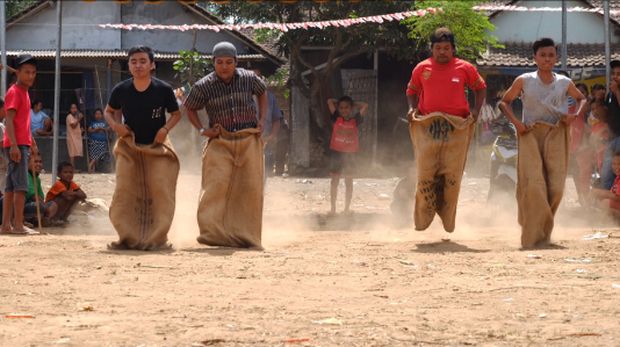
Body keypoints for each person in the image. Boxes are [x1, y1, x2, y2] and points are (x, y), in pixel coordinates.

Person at [499, 38, 586, 249]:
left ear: (556, 58)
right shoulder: (524, 80)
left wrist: (573, 115)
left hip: (557, 134)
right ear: (535, 58)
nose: (547, 59)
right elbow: (504, 102)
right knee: (535, 186)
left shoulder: (564, 82)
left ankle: (545, 230)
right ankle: (532, 234)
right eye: (543, 55)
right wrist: (517, 124)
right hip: (530, 135)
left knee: (556, 188)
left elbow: (582, 99)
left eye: (551, 55)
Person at [184, 41, 268, 249]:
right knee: (215, 186)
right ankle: (213, 234)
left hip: (248, 138)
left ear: (236, 62)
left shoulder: (250, 79)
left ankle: (246, 235)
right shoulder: (203, 85)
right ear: (213, 63)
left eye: (229, 62)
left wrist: (262, 119)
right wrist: (203, 130)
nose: (224, 66)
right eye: (219, 62)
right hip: (220, 140)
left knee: (249, 188)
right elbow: (190, 108)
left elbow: (262, 92)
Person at [405, 27, 486, 233]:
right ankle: (423, 217)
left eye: (446, 48)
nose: (442, 51)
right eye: (438, 48)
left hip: (457, 126)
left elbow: (480, 87)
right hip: (427, 125)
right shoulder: (421, 68)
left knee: (452, 176)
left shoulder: (465, 68)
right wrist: (412, 108)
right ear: (432, 49)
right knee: (426, 174)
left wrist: (476, 109)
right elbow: (411, 91)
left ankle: (448, 218)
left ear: (453, 49)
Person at [105, 45, 181, 250]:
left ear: (152, 65)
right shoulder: (120, 90)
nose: (138, 65)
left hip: (158, 146)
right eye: (133, 62)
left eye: (142, 61)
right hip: (130, 145)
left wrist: (165, 129)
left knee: (160, 189)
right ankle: (127, 237)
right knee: (124, 189)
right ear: (129, 66)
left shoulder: (163, 89)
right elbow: (108, 111)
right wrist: (116, 126)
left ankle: (157, 238)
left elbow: (176, 114)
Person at [0, 54, 40, 235]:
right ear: (18, 73)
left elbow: (23, 122)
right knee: (21, 186)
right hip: (15, 144)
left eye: (33, 72)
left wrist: (31, 141)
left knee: (10, 187)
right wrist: (16, 145)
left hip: (20, 142)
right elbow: (9, 120)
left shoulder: (24, 92)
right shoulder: (15, 92)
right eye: (26, 72)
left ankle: (6, 225)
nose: (30, 76)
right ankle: (18, 224)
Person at [326, 96, 368, 215]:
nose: (344, 110)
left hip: (350, 155)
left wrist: (353, 103)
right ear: (338, 109)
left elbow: (365, 105)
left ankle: (346, 209)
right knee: (334, 181)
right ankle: (333, 209)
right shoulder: (336, 118)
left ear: (351, 108)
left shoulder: (356, 120)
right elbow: (329, 101)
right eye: (341, 108)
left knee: (348, 181)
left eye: (347, 107)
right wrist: (339, 102)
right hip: (336, 153)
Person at [253, 69, 283, 177]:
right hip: (247, 141)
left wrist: (272, 136)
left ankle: (261, 193)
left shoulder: (270, 97)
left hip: (265, 141)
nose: (255, 80)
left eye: (258, 77)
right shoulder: (241, 97)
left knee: (265, 173)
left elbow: (276, 119)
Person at [600, 60, 620, 190]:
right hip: (612, 139)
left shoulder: (615, 92)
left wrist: (617, 91)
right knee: (606, 173)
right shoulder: (610, 94)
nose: (615, 76)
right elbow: (606, 117)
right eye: (613, 73)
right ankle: (607, 204)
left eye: (618, 74)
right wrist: (600, 101)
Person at [25, 153, 57, 226]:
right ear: (27, 163)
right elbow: (33, 196)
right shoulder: (26, 175)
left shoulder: (37, 179)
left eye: (40, 162)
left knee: (53, 204)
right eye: (35, 162)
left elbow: (41, 197)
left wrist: (45, 206)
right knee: (38, 206)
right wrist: (45, 207)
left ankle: (44, 220)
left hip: (36, 204)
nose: (38, 164)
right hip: (26, 205)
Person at [590, 151, 620, 218]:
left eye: (619, 164)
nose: (616, 166)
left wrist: (601, 193)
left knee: (605, 205)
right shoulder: (617, 178)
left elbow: (618, 197)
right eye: (614, 164)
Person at [87, 108, 110, 173]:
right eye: (96, 114)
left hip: (103, 142)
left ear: (102, 115)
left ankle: (91, 166)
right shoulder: (92, 123)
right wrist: (95, 130)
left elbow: (109, 129)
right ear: (94, 115)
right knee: (94, 155)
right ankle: (92, 168)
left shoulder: (104, 123)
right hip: (94, 141)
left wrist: (102, 128)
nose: (98, 115)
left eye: (99, 114)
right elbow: (89, 130)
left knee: (100, 154)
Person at [66, 103, 84, 169]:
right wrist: (79, 119)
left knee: (75, 153)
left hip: (76, 137)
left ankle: (73, 167)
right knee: (72, 154)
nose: (74, 110)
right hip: (71, 137)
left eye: (75, 108)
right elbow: (73, 125)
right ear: (70, 109)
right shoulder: (69, 116)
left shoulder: (75, 117)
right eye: (72, 108)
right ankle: (72, 168)